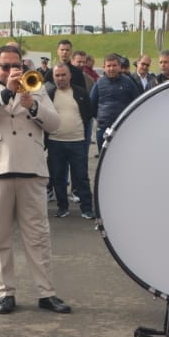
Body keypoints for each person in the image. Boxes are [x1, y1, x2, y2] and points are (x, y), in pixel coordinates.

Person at [0, 43, 71, 315]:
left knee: (38, 236)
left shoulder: (35, 87)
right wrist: (6, 93)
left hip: (31, 168)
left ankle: (47, 293)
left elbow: (55, 124)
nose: (12, 70)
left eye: (17, 66)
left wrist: (33, 105)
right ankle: (6, 292)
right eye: (6, 66)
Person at [45, 63, 95, 220]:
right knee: (57, 177)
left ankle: (87, 209)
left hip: (77, 142)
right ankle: (62, 208)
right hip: (55, 142)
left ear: (70, 76)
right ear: (53, 77)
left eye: (63, 75)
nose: (60, 78)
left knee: (81, 177)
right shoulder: (49, 94)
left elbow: (88, 114)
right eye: (57, 75)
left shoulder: (80, 92)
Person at [88, 53, 140, 151]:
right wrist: (101, 118)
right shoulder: (98, 84)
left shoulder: (128, 82)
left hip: (123, 128)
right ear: (104, 67)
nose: (111, 68)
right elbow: (91, 106)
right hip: (103, 128)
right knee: (104, 157)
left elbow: (136, 103)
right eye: (109, 66)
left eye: (114, 65)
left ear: (119, 67)